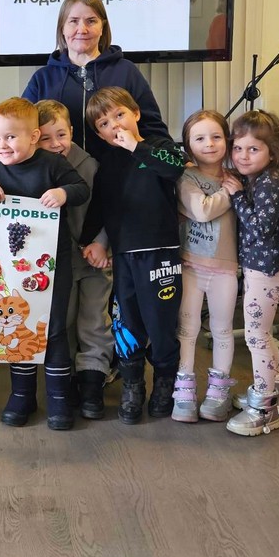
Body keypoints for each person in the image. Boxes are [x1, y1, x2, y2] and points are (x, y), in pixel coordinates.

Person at [0, 98, 88, 429]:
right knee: (18, 327)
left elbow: (81, 189)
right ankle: (22, 395)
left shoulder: (51, 163)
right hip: (12, 264)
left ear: (34, 136)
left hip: (54, 262)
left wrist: (63, 193)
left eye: (11, 137)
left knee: (53, 327)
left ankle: (58, 397)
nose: (2, 145)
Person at [79, 87, 185, 424]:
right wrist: (93, 242)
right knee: (127, 321)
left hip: (161, 254)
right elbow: (100, 206)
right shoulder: (107, 164)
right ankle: (132, 384)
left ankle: (165, 382)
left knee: (161, 322)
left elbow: (174, 169)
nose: (114, 125)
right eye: (104, 124)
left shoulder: (160, 146)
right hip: (125, 255)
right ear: (100, 135)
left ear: (136, 113)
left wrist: (137, 147)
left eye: (119, 115)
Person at [36, 99, 113, 419]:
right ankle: (64, 380)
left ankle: (93, 381)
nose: (56, 144)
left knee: (94, 320)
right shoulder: (34, 168)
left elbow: (108, 208)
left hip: (94, 259)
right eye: (46, 138)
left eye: (61, 135)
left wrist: (102, 244)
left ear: (71, 131)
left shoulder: (91, 166)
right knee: (62, 323)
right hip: (57, 266)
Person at [22, 0, 168, 155]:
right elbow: (21, 131)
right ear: (62, 28)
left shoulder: (126, 71)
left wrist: (176, 162)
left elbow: (153, 129)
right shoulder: (42, 78)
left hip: (121, 169)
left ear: (102, 27)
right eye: (73, 21)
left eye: (91, 21)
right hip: (58, 170)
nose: (82, 29)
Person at [225, 110, 279, 438]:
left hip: (265, 274)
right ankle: (278, 391)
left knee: (256, 337)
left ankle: (265, 408)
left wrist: (236, 196)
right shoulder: (262, 179)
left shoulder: (271, 184)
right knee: (262, 334)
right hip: (264, 271)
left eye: (253, 149)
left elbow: (259, 228)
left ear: (273, 152)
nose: (243, 156)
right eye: (238, 148)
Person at [173, 109, 242, 424]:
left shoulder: (238, 176)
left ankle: (218, 391)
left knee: (223, 329)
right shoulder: (186, 178)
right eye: (200, 138)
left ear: (227, 140)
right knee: (187, 330)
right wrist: (228, 192)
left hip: (225, 269)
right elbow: (201, 211)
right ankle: (183, 390)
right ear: (188, 145)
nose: (209, 144)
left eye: (216, 137)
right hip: (191, 266)